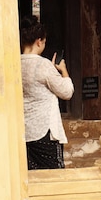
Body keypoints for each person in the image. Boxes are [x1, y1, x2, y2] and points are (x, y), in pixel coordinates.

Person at [20, 15, 74, 169]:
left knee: (30, 178)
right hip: (44, 131)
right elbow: (66, 92)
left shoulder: (15, 63)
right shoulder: (43, 65)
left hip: (24, 131)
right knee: (53, 178)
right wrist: (62, 70)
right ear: (39, 41)